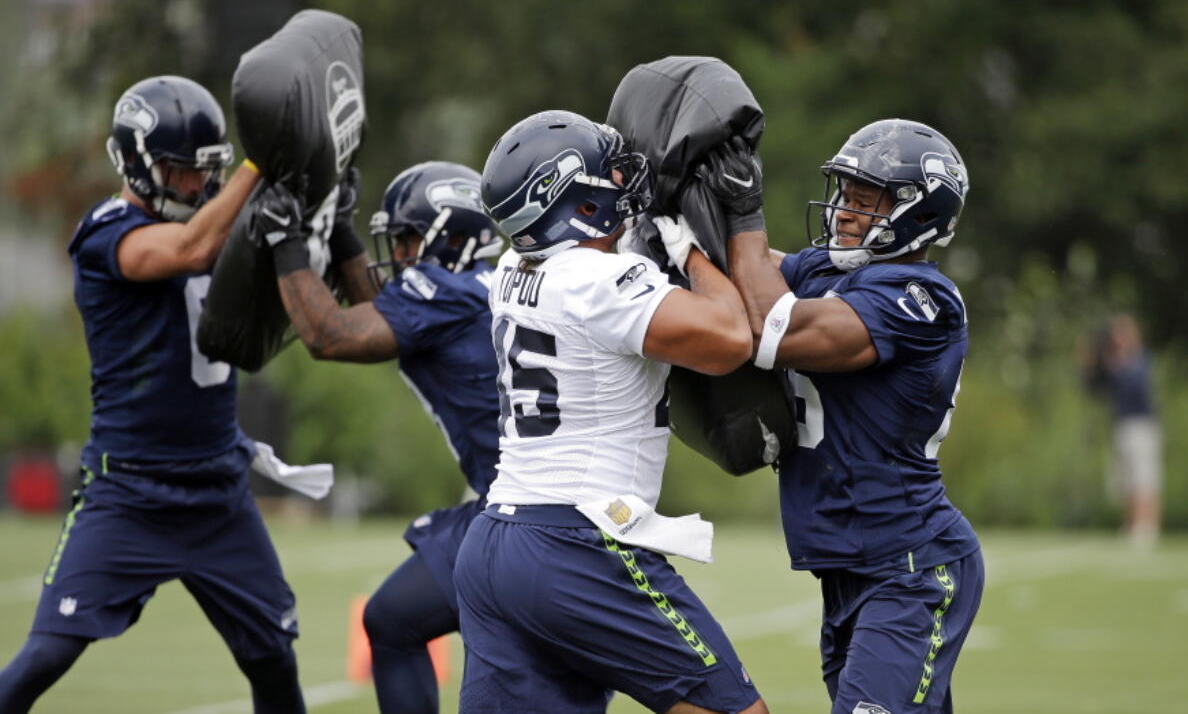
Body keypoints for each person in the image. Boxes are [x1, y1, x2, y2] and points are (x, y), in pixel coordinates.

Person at [0, 76, 306, 713]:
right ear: (135, 166)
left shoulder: (216, 209)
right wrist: (261, 163)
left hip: (218, 492)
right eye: (178, 171)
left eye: (204, 171)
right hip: (130, 492)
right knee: (45, 657)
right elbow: (193, 249)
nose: (195, 187)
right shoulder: (106, 235)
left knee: (274, 660)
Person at [453, 110, 768, 714]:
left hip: (495, 540)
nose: (624, 187)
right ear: (574, 204)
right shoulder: (597, 280)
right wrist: (692, 251)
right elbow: (730, 338)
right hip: (578, 541)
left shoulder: (509, 274)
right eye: (608, 178)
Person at [712, 121, 985, 713]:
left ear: (919, 213)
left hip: (911, 566)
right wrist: (680, 219)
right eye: (844, 195)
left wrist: (744, 211)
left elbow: (776, 324)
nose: (843, 213)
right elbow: (738, 275)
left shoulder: (921, 297)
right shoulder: (827, 270)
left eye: (864, 202)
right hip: (849, 569)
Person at [252, 160, 503, 714]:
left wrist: (283, 240)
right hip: (521, 501)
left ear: (452, 237)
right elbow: (383, 300)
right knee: (394, 621)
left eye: (410, 239)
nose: (401, 253)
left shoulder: (445, 290)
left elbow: (328, 333)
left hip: (519, 513)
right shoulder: (474, 284)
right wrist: (340, 226)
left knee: (396, 624)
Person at [1086, 314, 1163, 548]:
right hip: (1121, 425)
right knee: (1125, 479)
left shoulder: (1141, 359)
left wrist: (1116, 364)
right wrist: (1091, 359)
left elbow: (1136, 385)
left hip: (1142, 425)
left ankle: (1147, 526)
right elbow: (1092, 387)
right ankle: (1131, 524)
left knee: (1145, 477)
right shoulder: (1113, 362)